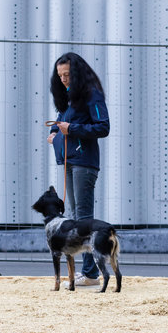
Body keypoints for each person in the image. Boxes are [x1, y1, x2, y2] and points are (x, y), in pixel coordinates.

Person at [47, 53, 110, 286]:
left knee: (82, 218)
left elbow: (103, 127)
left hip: (84, 162)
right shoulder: (68, 97)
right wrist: (55, 135)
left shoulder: (91, 94)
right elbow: (66, 128)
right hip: (71, 160)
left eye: (67, 74)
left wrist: (71, 128)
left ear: (77, 73)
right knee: (75, 217)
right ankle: (86, 273)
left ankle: (91, 273)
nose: (63, 79)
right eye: (60, 75)